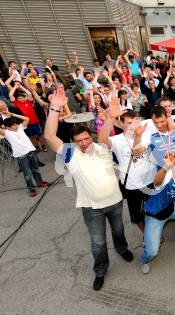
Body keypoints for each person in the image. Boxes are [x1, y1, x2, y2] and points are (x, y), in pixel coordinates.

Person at [44, 87, 134, 291]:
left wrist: (111, 117)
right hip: (92, 209)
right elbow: (49, 136)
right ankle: (100, 271)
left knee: (119, 230)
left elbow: (103, 137)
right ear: (73, 143)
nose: (84, 143)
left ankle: (122, 249)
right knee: (98, 243)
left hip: (116, 202)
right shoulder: (71, 155)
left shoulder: (102, 148)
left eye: (86, 139)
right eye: (79, 141)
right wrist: (54, 109)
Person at [98, 103, 155, 234]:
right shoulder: (117, 140)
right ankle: (147, 234)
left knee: (153, 210)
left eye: (135, 122)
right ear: (122, 124)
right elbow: (102, 139)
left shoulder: (145, 135)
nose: (133, 126)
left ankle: (154, 231)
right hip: (131, 185)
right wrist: (110, 119)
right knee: (137, 215)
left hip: (149, 181)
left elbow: (138, 152)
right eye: (129, 123)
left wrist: (138, 136)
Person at [0, 111, 49, 197]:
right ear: (7, 127)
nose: (16, 125)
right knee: (28, 174)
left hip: (31, 152)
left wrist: (11, 114)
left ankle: (40, 182)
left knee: (36, 170)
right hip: (21, 156)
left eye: (16, 123)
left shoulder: (20, 128)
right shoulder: (6, 133)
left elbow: (26, 118)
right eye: (14, 124)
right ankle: (31, 189)